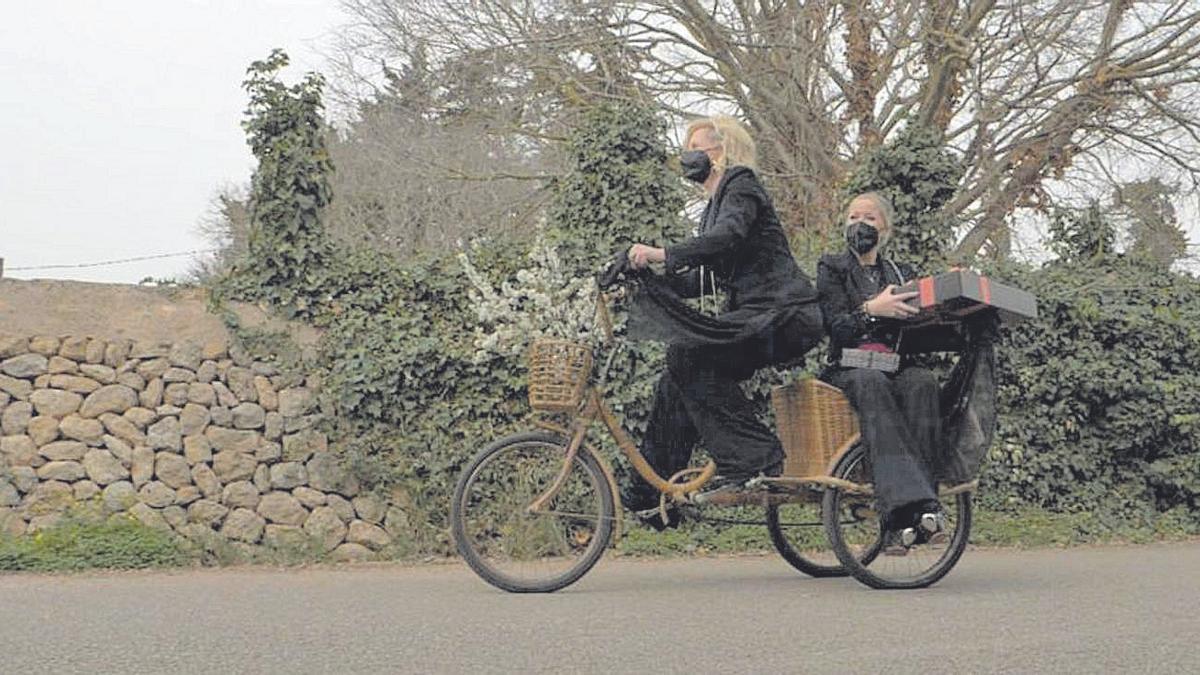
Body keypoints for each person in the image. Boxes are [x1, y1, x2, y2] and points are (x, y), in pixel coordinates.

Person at [620, 115, 822, 527]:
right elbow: (705, 276)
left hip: (785, 313)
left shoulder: (741, 184)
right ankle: (655, 496)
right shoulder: (713, 209)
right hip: (757, 316)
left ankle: (755, 461)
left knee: (688, 354)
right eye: (687, 148)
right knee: (677, 375)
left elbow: (727, 237)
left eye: (697, 147)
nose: (688, 157)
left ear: (722, 150)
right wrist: (652, 280)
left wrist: (661, 253)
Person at [816, 192, 946, 551]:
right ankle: (898, 515)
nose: (860, 224)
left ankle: (927, 510)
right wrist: (873, 309)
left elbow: (918, 329)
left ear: (884, 227)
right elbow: (834, 327)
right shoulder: (832, 268)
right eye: (853, 216)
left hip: (893, 366)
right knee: (872, 382)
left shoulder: (901, 274)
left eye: (870, 218)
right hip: (851, 368)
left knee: (923, 383)